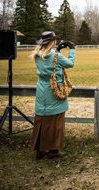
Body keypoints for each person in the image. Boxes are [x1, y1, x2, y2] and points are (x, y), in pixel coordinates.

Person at [30, 31, 75, 159]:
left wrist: (58, 51)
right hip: (55, 90)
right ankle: (54, 149)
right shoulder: (56, 55)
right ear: (52, 42)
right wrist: (72, 49)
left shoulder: (37, 55)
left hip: (41, 90)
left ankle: (41, 148)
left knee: (42, 119)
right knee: (56, 120)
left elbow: (53, 63)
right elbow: (69, 63)